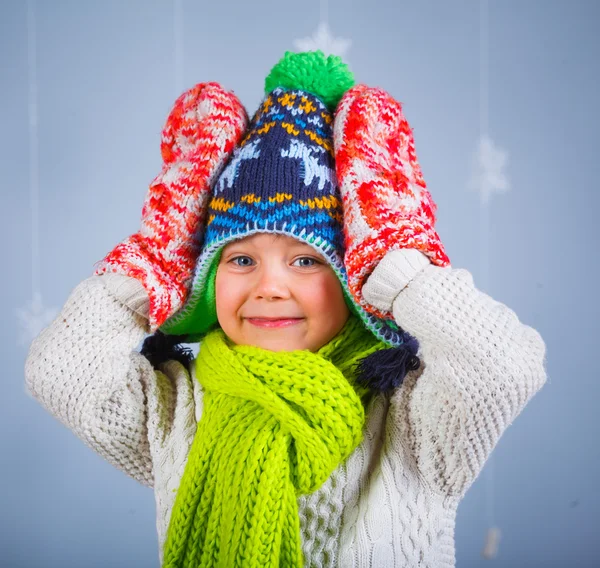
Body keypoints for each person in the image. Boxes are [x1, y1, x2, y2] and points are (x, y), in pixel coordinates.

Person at [25, 50, 547, 567]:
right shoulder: (180, 406)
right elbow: (61, 371)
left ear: (355, 278)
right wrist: (152, 259)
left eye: (305, 260)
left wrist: (398, 263)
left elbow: (502, 367)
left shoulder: (413, 413)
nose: (269, 287)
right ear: (204, 280)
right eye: (242, 258)